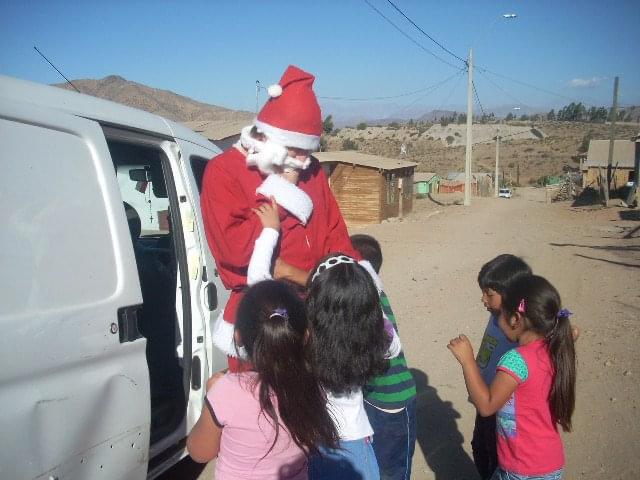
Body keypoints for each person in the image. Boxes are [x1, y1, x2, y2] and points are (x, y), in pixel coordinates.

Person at [200, 65, 359, 372]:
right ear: (267, 136)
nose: (302, 160)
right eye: (295, 149)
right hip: (264, 322)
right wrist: (283, 191)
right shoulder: (224, 171)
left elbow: (336, 234)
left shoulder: (310, 170)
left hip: (318, 313)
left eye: (307, 150)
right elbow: (232, 251)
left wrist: (350, 285)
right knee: (262, 415)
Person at [186, 280, 339, 479]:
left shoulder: (225, 392)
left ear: (238, 337)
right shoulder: (313, 385)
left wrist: (211, 396)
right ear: (306, 336)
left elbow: (200, 452)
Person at [448, 275, 577, 480]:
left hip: (522, 469)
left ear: (515, 318)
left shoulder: (516, 360)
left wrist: (467, 361)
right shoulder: (554, 348)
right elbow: (572, 333)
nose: (498, 320)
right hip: (549, 463)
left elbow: (487, 405)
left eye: (501, 315)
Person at [305, 254, 400, 480]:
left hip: (312, 440)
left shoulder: (305, 342)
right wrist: (371, 305)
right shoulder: (375, 341)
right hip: (355, 441)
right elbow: (394, 346)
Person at [350, 234, 417, 480]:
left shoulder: (371, 299)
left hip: (393, 403)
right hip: (373, 396)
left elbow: (378, 350)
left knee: (392, 472)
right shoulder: (363, 296)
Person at [472, 254, 532, 479]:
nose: (483, 299)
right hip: (484, 397)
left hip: (503, 406)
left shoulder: (518, 325)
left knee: (497, 456)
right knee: (480, 448)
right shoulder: (496, 315)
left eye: (489, 294)